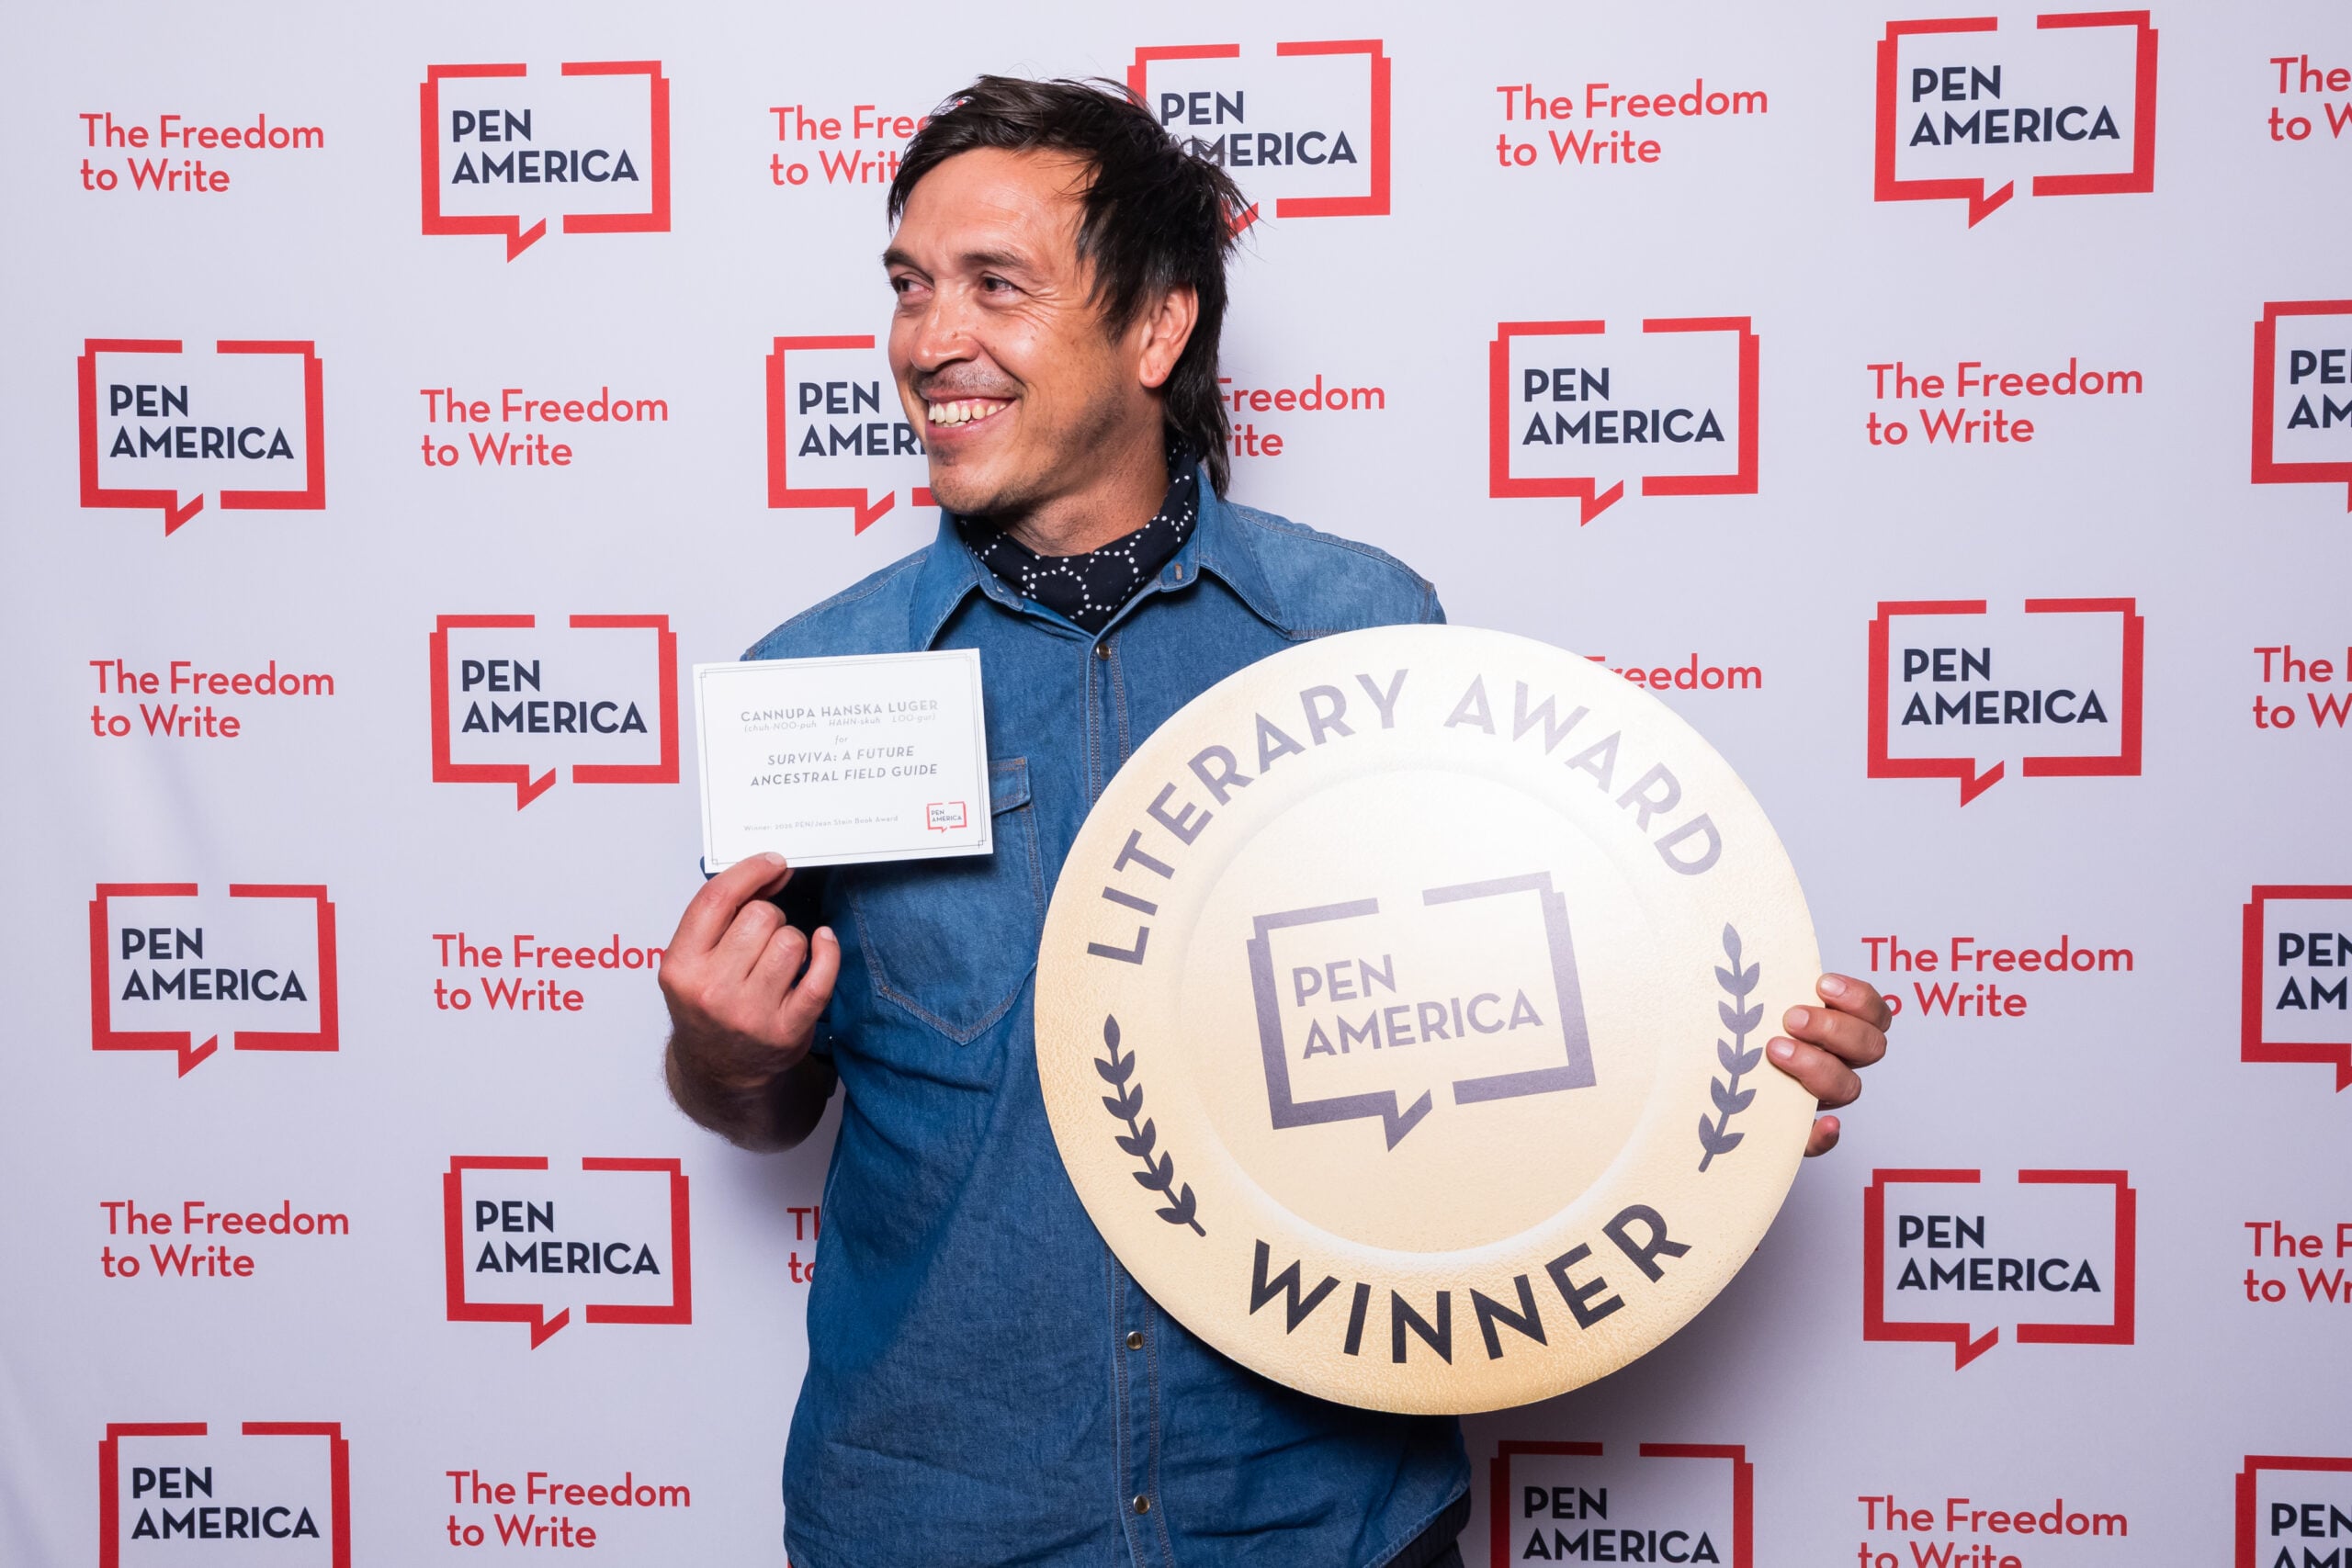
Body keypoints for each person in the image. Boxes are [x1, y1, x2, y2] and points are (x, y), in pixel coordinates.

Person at [660, 75, 1892, 1568]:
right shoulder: (815, 685)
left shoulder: (1366, 630)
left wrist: (1733, 1083)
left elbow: (1496, 1034)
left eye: (997, 285)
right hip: (945, 1519)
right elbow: (764, 1104)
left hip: (1320, 1522)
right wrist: (726, 1053)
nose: (931, 341)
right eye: (910, 288)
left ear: (1157, 327)